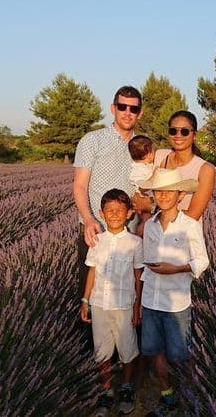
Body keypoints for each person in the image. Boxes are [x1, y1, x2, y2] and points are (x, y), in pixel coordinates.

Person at [138, 168, 209, 416]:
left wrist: (177, 268)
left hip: (176, 303)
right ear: (154, 195)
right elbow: (146, 261)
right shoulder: (149, 227)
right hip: (150, 301)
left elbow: (202, 260)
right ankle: (167, 396)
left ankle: (191, 394)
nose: (163, 195)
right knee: (156, 350)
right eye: (159, 191)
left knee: (180, 354)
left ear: (180, 194)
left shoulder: (189, 226)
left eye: (169, 191)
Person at [79, 189, 144, 416]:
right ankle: (106, 390)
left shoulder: (135, 243)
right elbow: (92, 272)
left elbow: (138, 277)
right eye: (109, 211)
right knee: (101, 350)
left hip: (125, 304)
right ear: (101, 213)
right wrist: (85, 300)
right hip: (99, 304)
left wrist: (138, 306)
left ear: (129, 214)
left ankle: (126, 387)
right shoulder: (97, 241)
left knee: (127, 348)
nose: (114, 214)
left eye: (119, 210)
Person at [73, 85, 143, 292]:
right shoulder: (92, 140)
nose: (128, 113)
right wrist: (88, 219)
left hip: (129, 230)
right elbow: (79, 185)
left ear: (140, 113)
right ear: (113, 108)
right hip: (96, 227)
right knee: (92, 290)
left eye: (133, 109)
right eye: (122, 107)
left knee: (129, 290)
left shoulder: (143, 146)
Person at [150, 110, 215, 222]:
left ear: (194, 135)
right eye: (173, 131)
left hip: (184, 236)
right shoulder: (160, 157)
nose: (178, 136)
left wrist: (151, 209)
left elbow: (192, 216)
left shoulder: (204, 169)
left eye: (184, 131)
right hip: (156, 234)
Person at [128, 135, 156, 237]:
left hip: (151, 201)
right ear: (148, 154)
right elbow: (142, 187)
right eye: (153, 151)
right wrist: (154, 175)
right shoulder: (137, 169)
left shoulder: (147, 166)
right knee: (145, 221)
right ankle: (139, 240)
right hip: (143, 201)